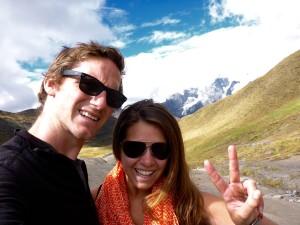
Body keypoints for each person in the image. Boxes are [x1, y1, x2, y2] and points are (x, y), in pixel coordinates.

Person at [0, 41, 127, 225]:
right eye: (89, 84)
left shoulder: (73, 168)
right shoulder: (8, 172)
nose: (100, 103)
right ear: (51, 84)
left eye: (112, 97)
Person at [94, 99, 277, 225]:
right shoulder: (94, 200)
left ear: (172, 154)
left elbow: (234, 217)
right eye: (135, 148)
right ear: (119, 149)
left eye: (160, 150)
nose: (148, 161)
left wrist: (251, 220)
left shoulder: (189, 202)